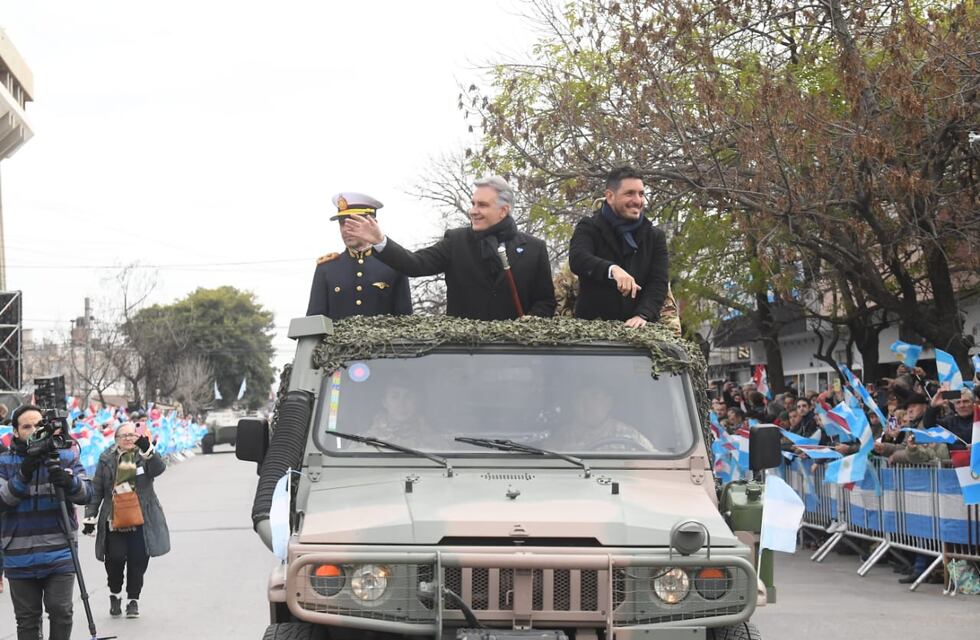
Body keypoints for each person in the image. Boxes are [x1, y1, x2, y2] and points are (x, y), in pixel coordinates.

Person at [343, 176, 557, 320]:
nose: (473, 211)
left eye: (482, 205)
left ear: (503, 210)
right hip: (463, 358)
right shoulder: (457, 242)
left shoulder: (534, 249)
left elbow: (545, 301)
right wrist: (380, 240)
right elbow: (415, 264)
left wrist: (531, 322)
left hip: (517, 360)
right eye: (473, 204)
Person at [0, 404, 93, 640]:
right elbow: (3, 501)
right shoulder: (4, 462)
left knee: (61, 610)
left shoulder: (65, 455)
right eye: (26, 426)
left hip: (60, 550)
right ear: (16, 431)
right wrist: (24, 472)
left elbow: (87, 493)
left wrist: (68, 481)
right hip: (18, 553)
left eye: (38, 425)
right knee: (27, 620)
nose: (33, 430)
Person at [82, 421, 170, 619]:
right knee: (115, 559)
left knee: (138, 559)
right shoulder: (106, 458)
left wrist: (148, 449)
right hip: (114, 517)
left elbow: (159, 469)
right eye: (125, 436)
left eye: (132, 435)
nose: (129, 439)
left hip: (141, 516)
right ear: (116, 440)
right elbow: (97, 490)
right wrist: (90, 516)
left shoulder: (144, 455)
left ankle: (133, 600)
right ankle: (115, 593)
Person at [568, 166, 669, 328]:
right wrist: (612, 269)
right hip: (592, 332)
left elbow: (658, 282)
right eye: (629, 193)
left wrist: (643, 315)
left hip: (641, 330)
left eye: (641, 194)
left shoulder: (655, 236)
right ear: (610, 196)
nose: (637, 200)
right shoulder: (589, 227)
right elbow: (578, 259)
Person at [306, 192, 412, 320]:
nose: (346, 229)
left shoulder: (394, 265)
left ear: (373, 224)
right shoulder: (327, 268)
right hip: (337, 340)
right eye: (342, 223)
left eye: (353, 222)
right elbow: (314, 322)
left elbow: (405, 321)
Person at [552, 387, 655, 451]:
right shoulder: (562, 436)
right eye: (581, 397)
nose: (588, 403)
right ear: (574, 404)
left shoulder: (629, 435)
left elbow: (655, 462)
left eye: (595, 396)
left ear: (609, 403)